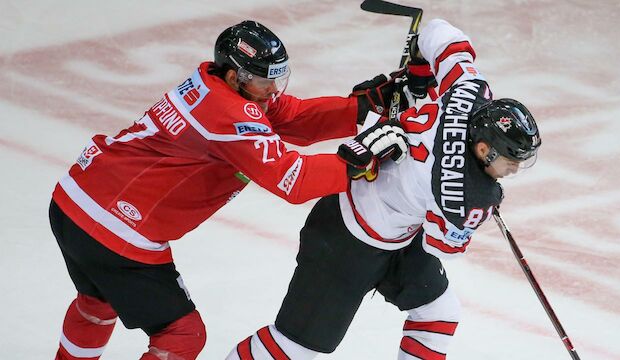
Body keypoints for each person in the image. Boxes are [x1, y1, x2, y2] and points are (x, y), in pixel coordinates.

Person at [49, 20, 412, 360]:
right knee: (181, 334)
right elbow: (294, 179)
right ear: (235, 76)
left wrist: (365, 105)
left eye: (277, 78)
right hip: (115, 230)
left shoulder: (218, 86)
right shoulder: (228, 113)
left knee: (95, 303)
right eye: (264, 81)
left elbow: (292, 117)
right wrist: (361, 161)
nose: (273, 90)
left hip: (73, 202)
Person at [227, 18, 542, 360]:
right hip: (345, 242)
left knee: (438, 314)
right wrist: (481, 193)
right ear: (484, 149)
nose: (514, 170)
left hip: (394, 235)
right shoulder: (465, 197)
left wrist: (420, 63)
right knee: (294, 347)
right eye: (512, 161)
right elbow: (442, 245)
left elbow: (438, 31)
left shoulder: (469, 91)